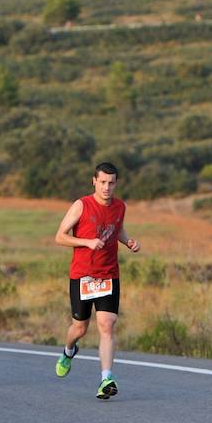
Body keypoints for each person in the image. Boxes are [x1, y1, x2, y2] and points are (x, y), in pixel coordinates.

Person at [54, 162, 140, 399]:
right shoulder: (81, 205)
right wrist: (86, 242)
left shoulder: (120, 206)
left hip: (108, 274)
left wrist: (129, 241)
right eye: (102, 182)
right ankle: (68, 351)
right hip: (82, 275)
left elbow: (117, 229)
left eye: (111, 183)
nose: (107, 187)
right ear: (94, 181)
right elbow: (60, 237)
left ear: (116, 184)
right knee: (80, 327)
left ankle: (106, 378)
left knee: (107, 325)